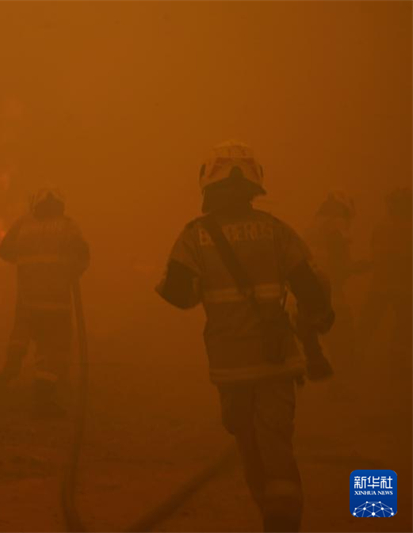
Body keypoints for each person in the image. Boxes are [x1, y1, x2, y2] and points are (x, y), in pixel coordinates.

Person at [156, 141, 334, 532]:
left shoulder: (193, 237)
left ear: (207, 186)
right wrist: (320, 323)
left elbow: (180, 296)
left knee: (249, 445)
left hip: (230, 368)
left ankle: (275, 517)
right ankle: (282, 517)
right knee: (276, 443)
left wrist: (162, 282)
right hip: (277, 362)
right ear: (255, 186)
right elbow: (309, 287)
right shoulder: (275, 231)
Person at [0, 186, 90, 416]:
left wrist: (25, 262)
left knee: (21, 332)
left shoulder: (24, 224)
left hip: (28, 297)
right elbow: (83, 254)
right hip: (57, 301)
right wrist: (71, 270)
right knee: (53, 347)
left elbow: (4, 250)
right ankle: (43, 397)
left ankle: (11, 366)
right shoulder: (68, 226)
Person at [305, 191, 369, 366]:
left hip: (306, 297)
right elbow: (338, 266)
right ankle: (342, 388)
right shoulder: (335, 228)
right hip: (332, 297)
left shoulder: (313, 227)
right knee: (344, 345)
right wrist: (362, 266)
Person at [358, 186, 413, 359]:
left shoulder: (382, 226)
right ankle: (397, 366)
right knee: (403, 329)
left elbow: (376, 254)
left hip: (381, 285)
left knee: (367, 326)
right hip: (403, 288)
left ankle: (353, 362)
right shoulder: (405, 227)